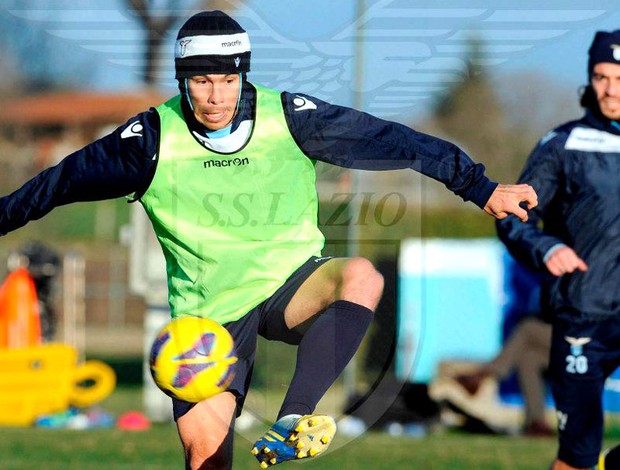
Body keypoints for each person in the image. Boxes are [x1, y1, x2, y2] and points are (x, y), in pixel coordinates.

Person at [0, 10, 537, 470]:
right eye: (202, 81)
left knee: (360, 276)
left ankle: (292, 417)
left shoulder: (292, 118)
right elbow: (56, 184)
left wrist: (480, 187)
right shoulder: (149, 142)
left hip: (290, 283)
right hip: (208, 320)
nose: (217, 95)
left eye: (228, 80)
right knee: (207, 456)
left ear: (243, 75)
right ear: (183, 79)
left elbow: (394, 139)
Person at [496, 30, 620, 470]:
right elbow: (513, 215)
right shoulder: (564, 144)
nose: (610, 88)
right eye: (602, 77)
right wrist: (545, 247)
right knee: (578, 457)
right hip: (583, 315)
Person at [455, 316, 553, 436]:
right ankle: (537, 424)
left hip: (578, 340)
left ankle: (484, 374)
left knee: (528, 327)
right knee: (528, 360)